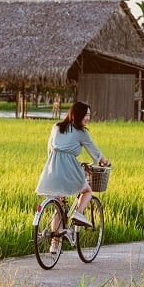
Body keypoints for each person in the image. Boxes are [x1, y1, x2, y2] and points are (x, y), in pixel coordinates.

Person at [34, 101, 111, 252]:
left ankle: (54, 245)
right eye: (86, 115)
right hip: (69, 167)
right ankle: (78, 214)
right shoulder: (81, 132)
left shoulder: (56, 127)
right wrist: (105, 162)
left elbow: (50, 148)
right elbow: (95, 151)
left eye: (89, 115)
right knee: (87, 191)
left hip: (52, 166)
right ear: (79, 115)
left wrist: (55, 161)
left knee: (58, 206)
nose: (88, 118)